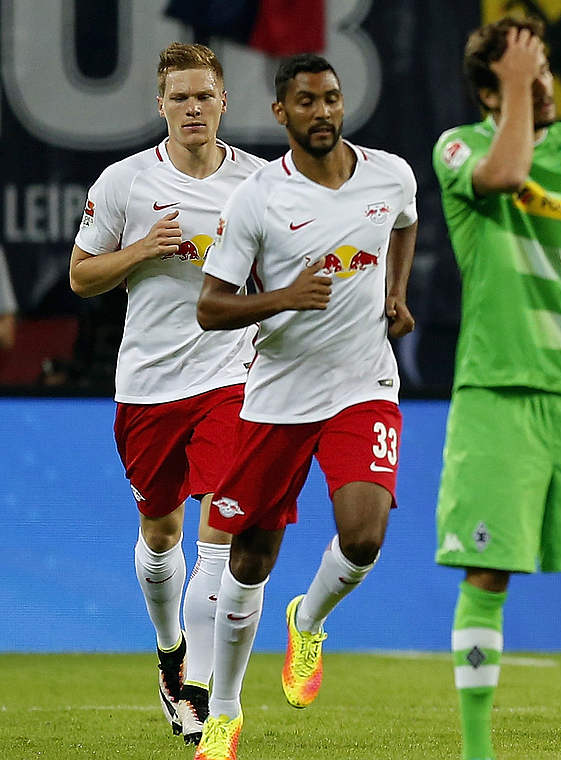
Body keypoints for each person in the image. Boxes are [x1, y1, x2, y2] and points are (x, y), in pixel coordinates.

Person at [191, 53, 418, 760]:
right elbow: (210, 307)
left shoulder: (391, 174)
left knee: (363, 536)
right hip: (280, 395)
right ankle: (224, 712)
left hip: (363, 385)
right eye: (306, 102)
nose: (322, 112)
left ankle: (310, 621)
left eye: (331, 98)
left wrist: (395, 294)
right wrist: (285, 297)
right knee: (250, 558)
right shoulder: (258, 199)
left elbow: (404, 223)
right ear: (281, 114)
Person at [432, 17, 561, 760]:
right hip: (497, 394)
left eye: (547, 64)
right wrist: (518, 88)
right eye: (529, 69)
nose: (548, 79)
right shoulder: (459, 147)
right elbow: (504, 176)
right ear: (492, 87)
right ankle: (478, 751)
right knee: (488, 570)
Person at [68, 42, 265, 745]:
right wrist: (143, 249)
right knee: (161, 535)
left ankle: (207, 693)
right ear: (160, 106)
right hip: (149, 386)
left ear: (222, 102)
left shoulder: (260, 182)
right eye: (179, 97)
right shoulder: (124, 184)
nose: (192, 108)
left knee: (225, 523)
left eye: (203, 96)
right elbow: (82, 277)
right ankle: (170, 653)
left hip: (232, 379)